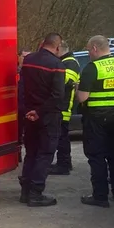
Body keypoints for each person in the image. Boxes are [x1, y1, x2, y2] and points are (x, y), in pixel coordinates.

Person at [77, 35, 114, 207]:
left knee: (97, 156)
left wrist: (78, 87)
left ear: (94, 48)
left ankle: (100, 196)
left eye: (87, 49)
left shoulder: (92, 68)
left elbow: (82, 97)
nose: (88, 53)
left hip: (97, 118)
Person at [18, 34, 66, 207]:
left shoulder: (28, 60)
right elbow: (58, 96)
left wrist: (27, 110)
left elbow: (21, 87)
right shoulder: (57, 65)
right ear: (58, 47)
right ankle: (35, 193)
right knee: (44, 154)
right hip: (47, 117)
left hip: (29, 115)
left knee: (31, 153)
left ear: (42, 43)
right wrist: (39, 112)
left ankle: (25, 192)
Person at [49, 41, 80, 175]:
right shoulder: (65, 62)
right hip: (62, 105)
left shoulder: (70, 63)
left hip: (64, 106)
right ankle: (64, 163)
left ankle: (64, 165)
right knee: (61, 137)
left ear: (60, 49)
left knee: (61, 138)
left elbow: (64, 82)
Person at [17, 49, 31, 162]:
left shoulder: (32, 72)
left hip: (27, 106)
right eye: (24, 56)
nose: (26, 59)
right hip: (15, 107)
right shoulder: (15, 71)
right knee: (16, 132)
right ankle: (17, 154)